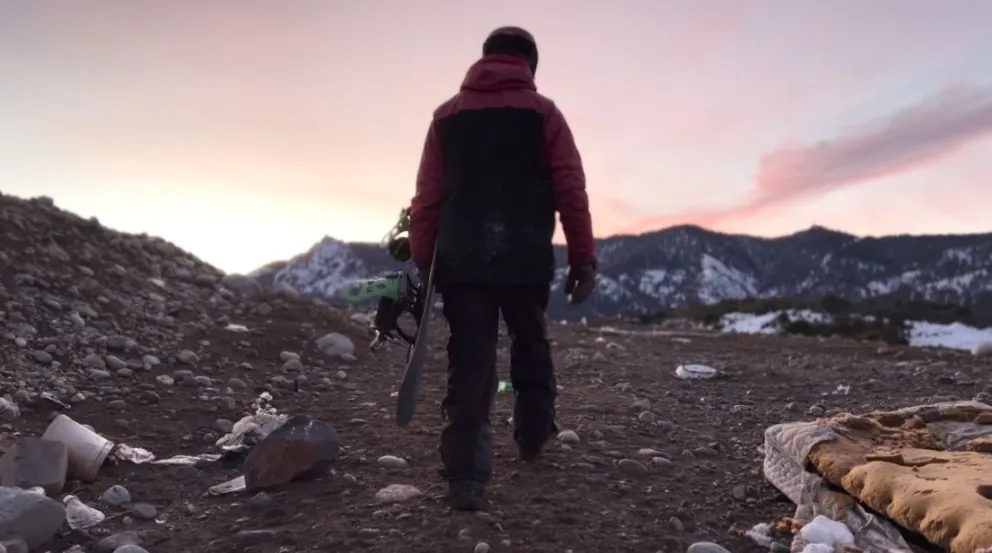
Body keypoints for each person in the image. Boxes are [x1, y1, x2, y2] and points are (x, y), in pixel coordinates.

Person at [408, 25, 597, 511]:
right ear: (529, 63)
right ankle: (533, 437)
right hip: (525, 255)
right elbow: (570, 189)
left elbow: (427, 197)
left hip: (462, 259)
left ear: (485, 58)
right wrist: (582, 258)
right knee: (530, 343)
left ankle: (465, 477)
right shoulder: (545, 114)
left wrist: (423, 259)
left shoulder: (446, 116)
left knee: (470, 360)